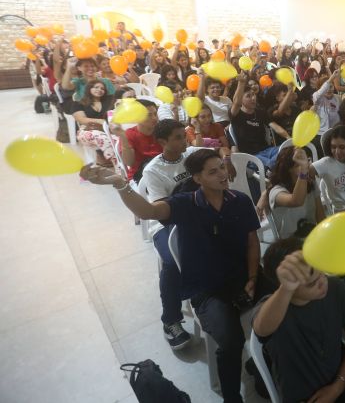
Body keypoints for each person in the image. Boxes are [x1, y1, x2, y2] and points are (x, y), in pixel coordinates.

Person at [80, 149, 266, 403]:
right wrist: (120, 183)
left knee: (290, 306)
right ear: (198, 178)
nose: (223, 174)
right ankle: (232, 398)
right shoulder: (185, 204)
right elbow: (147, 211)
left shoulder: (240, 200)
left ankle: (265, 367)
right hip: (207, 290)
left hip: (244, 277)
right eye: (213, 172)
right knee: (231, 342)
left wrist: (253, 279)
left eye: (221, 168)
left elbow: (252, 243)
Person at [253, 238, 345, 402]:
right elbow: (261, 329)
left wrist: (338, 385)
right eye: (312, 283)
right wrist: (286, 289)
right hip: (307, 397)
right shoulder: (274, 307)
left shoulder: (335, 288)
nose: (323, 282)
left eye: (322, 273)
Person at [140, 119, 209, 350]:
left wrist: (227, 158)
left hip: (196, 218)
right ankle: (170, 320)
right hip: (166, 225)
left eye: (184, 135)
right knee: (171, 262)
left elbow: (217, 157)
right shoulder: (153, 170)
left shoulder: (191, 154)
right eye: (178, 137)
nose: (184, 141)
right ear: (162, 142)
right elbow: (161, 211)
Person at [259, 146, 324, 238]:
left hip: (312, 237)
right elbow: (296, 201)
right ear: (289, 168)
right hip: (291, 244)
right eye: (299, 164)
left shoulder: (310, 183)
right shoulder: (276, 191)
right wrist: (303, 171)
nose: (306, 165)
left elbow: (320, 215)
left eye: (307, 161)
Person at [229, 72, 278, 169]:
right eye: (248, 96)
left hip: (267, 150)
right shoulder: (236, 115)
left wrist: (289, 138)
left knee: (286, 152)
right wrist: (241, 83)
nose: (253, 98)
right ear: (241, 100)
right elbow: (236, 103)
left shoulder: (260, 112)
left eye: (253, 95)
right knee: (272, 163)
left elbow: (275, 127)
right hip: (251, 156)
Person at [112, 99, 163, 182]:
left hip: (163, 170)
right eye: (148, 115)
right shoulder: (129, 134)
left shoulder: (161, 130)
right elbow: (129, 163)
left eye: (155, 114)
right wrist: (123, 136)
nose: (154, 118)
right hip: (140, 176)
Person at [72, 80, 119, 168]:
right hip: (87, 130)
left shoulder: (109, 100)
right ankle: (117, 165)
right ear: (89, 88)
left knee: (119, 140)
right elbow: (81, 119)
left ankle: (117, 163)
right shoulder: (79, 103)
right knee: (104, 139)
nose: (99, 90)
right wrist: (99, 121)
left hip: (107, 129)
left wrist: (118, 86)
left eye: (102, 89)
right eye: (96, 87)